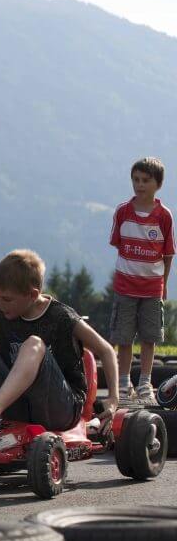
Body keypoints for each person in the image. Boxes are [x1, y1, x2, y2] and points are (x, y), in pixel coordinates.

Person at [0, 249, 119, 439]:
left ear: (33, 294)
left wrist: (113, 399)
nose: (0, 305)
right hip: (17, 403)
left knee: (34, 344)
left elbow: (106, 350)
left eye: (7, 299)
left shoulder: (62, 317)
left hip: (59, 407)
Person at [108, 157, 174, 404]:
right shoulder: (123, 211)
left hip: (152, 289)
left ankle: (145, 384)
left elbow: (168, 255)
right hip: (125, 288)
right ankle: (124, 386)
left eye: (146, 180)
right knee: (124, 338)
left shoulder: (164, 216)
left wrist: (163, 284)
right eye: (136, 179)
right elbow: (119, 246)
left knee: (149, 337)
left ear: (158, 184)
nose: (139, 185)